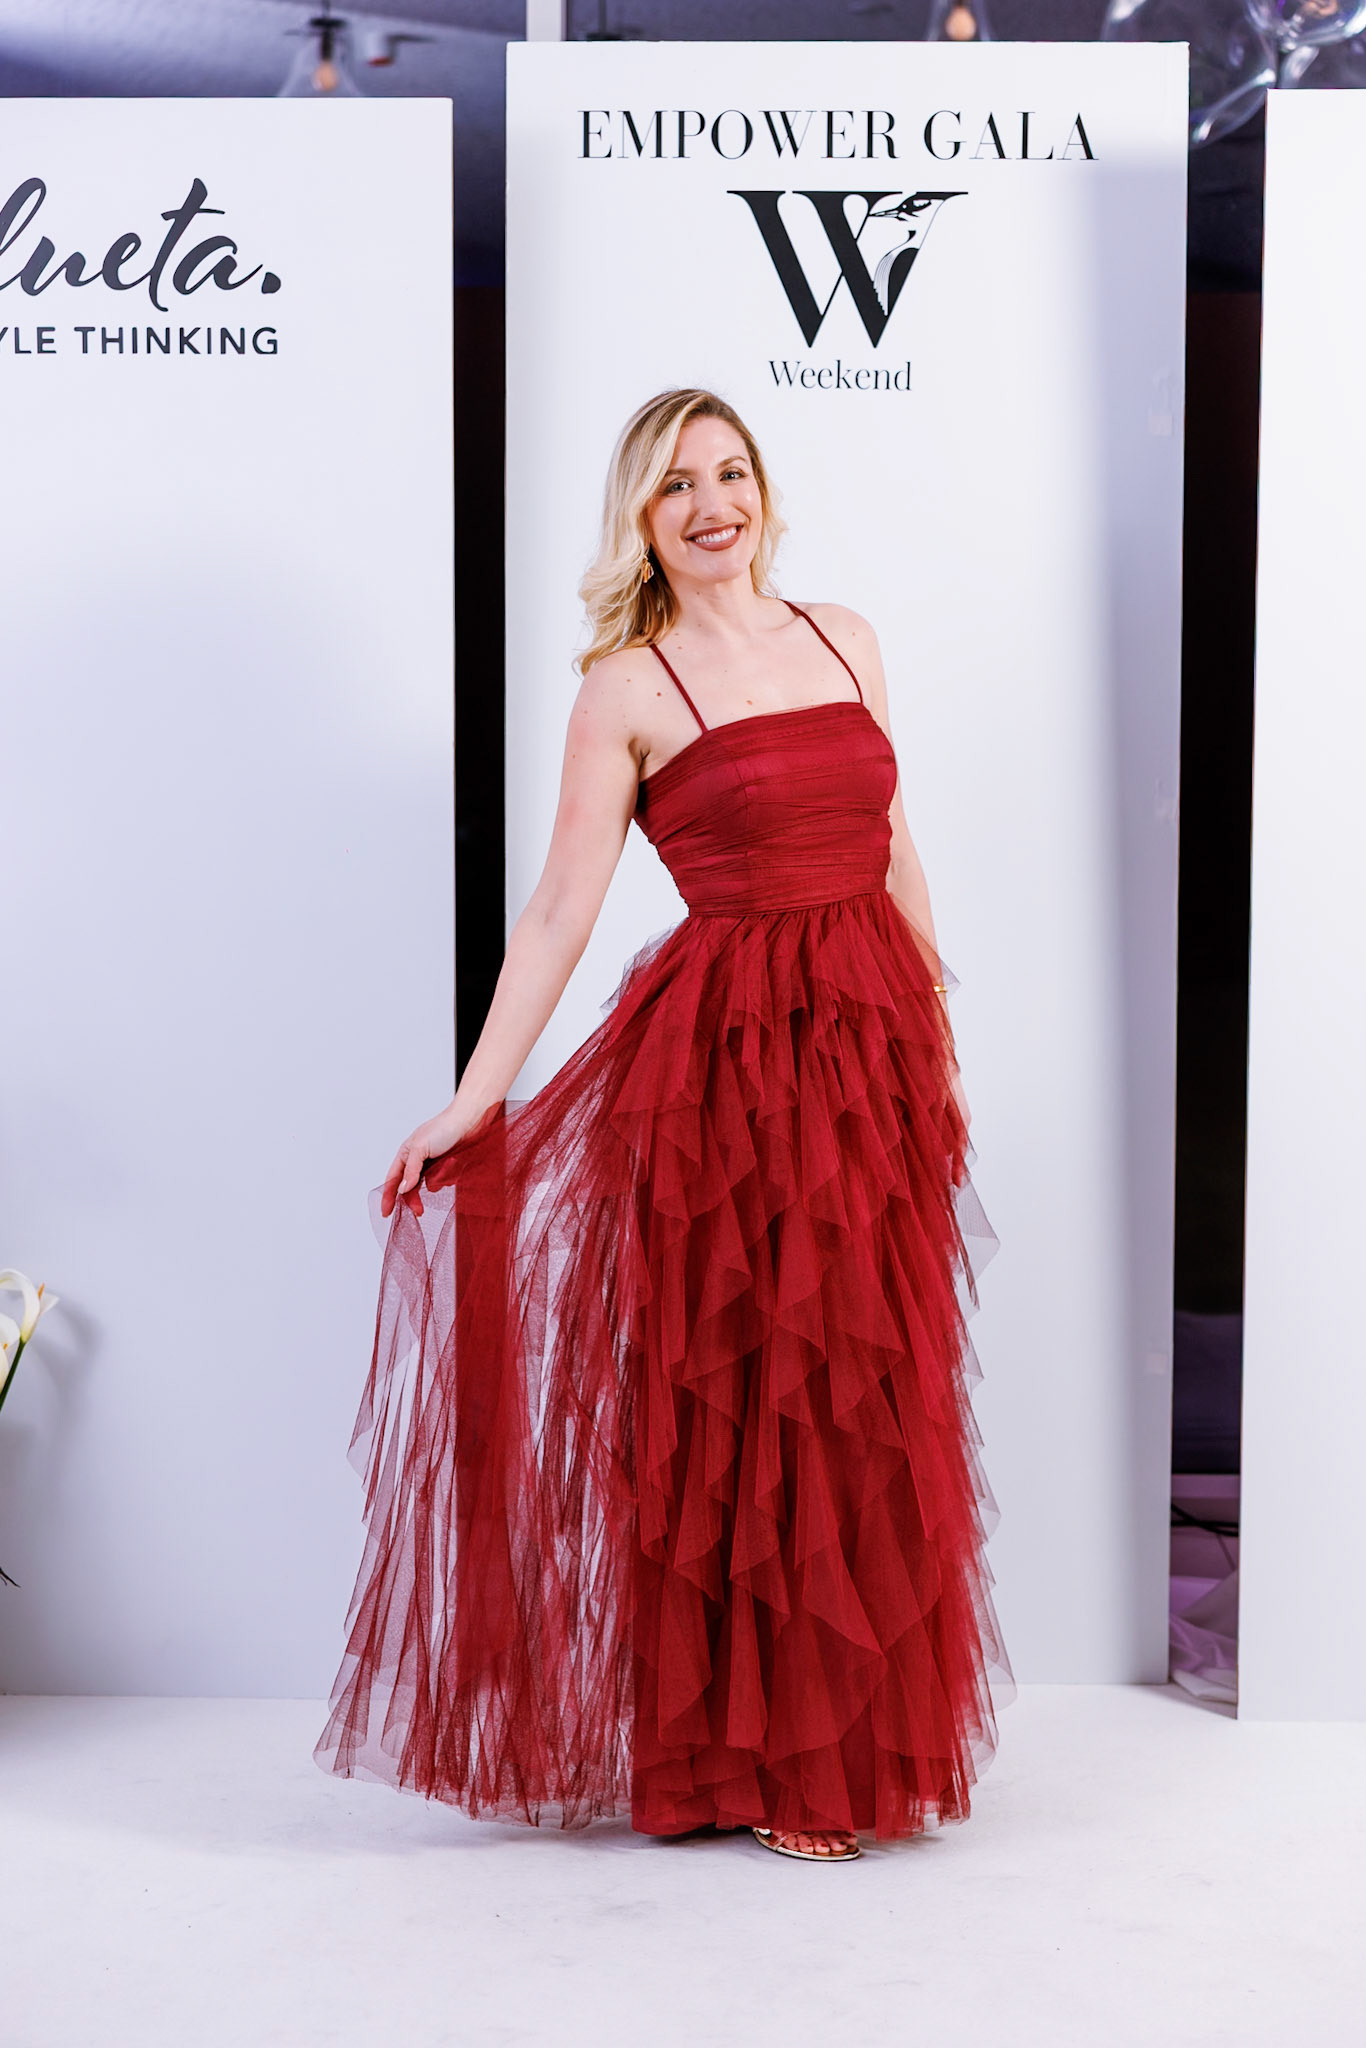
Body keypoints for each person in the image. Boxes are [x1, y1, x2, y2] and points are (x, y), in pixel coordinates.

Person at [317, 387, 1008, 1862]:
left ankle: (830, 1752)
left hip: (868, 1055)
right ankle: (738, 1764)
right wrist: (475, 1098)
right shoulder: (625, 690)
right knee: (747, 1401)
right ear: (640, 516)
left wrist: (936, 1045)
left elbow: (896, 849)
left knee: (863, 1397)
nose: (711, 505)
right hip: (724, 1079)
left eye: (730, 473)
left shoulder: (845, 638)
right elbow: (559, 913)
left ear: (764, 491)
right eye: (676, 483)